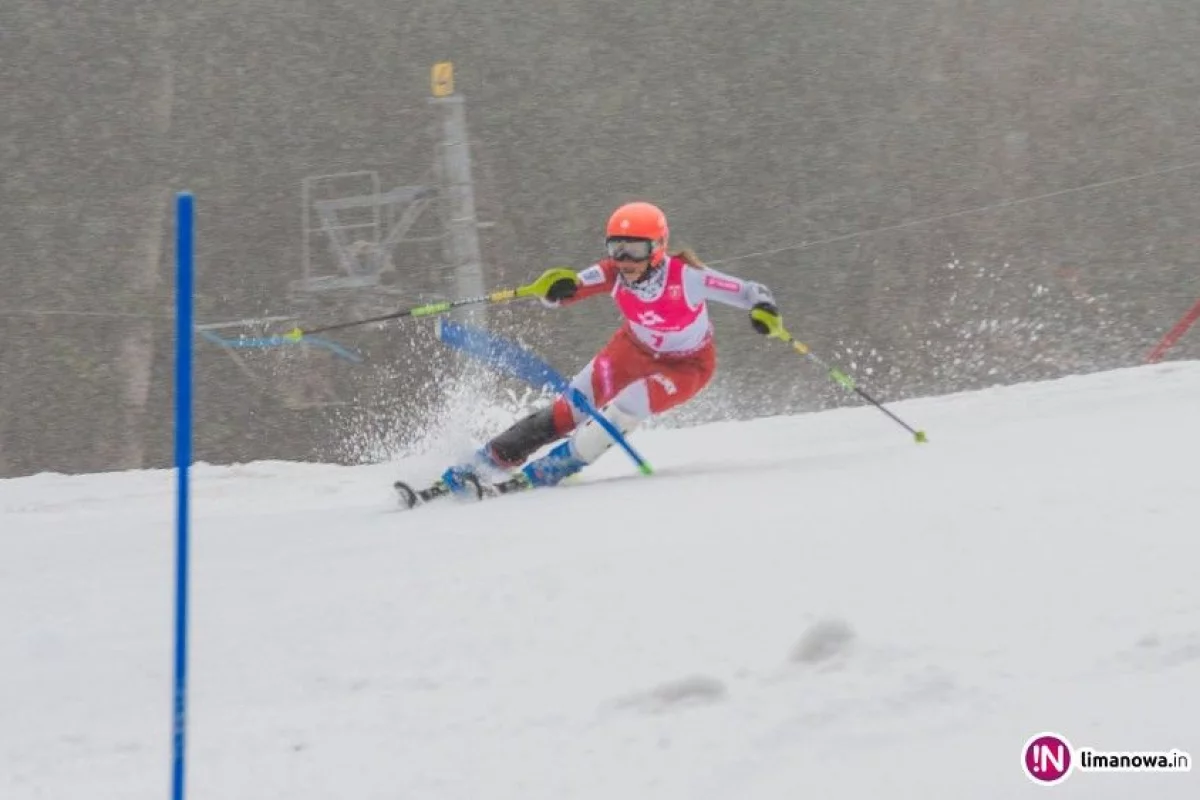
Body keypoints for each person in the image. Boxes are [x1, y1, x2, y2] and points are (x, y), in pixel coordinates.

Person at [441, 200, 781, 493]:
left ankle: (555, 467)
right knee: (569, 408)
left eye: (635, 250)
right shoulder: (612, 273)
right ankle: (489, 460)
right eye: (616, 247)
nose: (624, 259)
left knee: (628, 405)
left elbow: (751, 291)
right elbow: (566, 291)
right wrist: (553, 289)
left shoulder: (687, 278)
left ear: (658, 247)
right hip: (631, 351)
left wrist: (764, 309)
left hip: (686, 367)